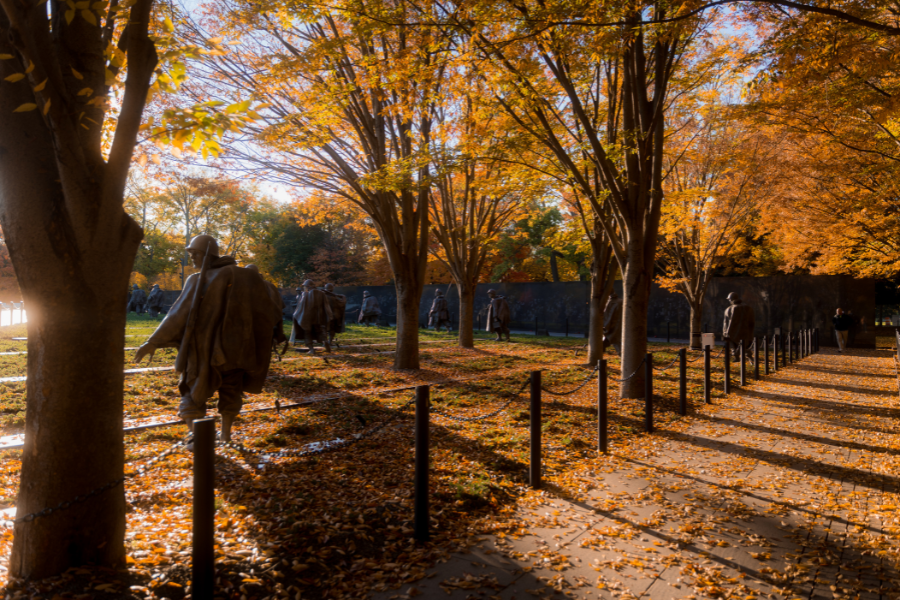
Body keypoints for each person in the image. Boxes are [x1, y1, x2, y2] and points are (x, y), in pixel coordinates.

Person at [134, 235, 281, 443]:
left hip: (203, 350)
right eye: (190, 253)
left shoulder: (197, 279)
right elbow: (269, 311)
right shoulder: (246, 277)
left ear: (208, 254)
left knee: (192, 389)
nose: (191, 257)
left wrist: (153, 342)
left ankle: (198, 437)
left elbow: (178, 314)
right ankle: (223, 435)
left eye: (195, 253)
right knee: (231, 391)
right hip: (236, 350)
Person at [245, 264, 288, 354]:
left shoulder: (250, 285)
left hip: (259, 320)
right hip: (269, 320)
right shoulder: (269, 285)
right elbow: (281, 305)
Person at [292, 279, 333, 355]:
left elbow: (301, 307)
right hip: (319, 317)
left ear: (308, 286)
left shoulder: (305, 294)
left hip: (308, 318)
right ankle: (326, 343)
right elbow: (326, 306)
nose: (304, 288)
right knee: (320, 330)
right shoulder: (322, 294)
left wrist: (296, 315)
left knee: (307, 332)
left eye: (305, 286)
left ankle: (311, 349)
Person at [723, 292, 755, 361]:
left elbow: (729, 322)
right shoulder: (748, 308)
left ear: (731, 299)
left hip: (733, 331)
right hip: (746, 332)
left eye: (729, 299)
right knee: (745, 345)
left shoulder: (730, 309)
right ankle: (749, 356)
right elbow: (752, 322)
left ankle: (736, 356)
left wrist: (726, 333)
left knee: (732, 343)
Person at [323, 283, 347, 347]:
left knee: (324, 329)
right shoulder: (333, 298)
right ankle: (329, 342)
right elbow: (342, 302)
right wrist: (342, 296)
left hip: (324, 316)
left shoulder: (323, 297)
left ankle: (325, 342)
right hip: (332, 316)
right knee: (331, 330)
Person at [602, 291, 622, 356]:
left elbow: (608, 318)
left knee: (603, 344)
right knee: (619, 343)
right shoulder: (621, 301)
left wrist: (604, 330)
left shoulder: (611, 303)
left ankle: (598, 361)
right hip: (621, 327)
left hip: (613, 328)